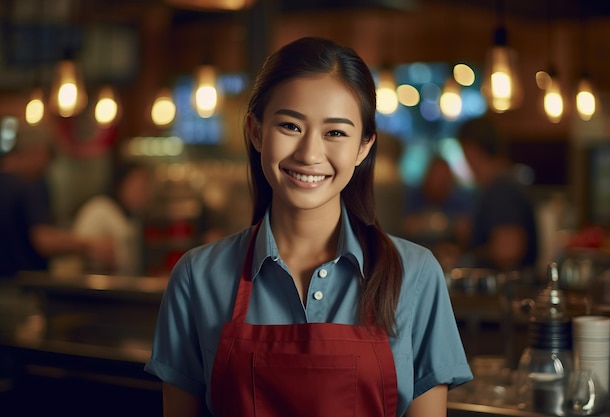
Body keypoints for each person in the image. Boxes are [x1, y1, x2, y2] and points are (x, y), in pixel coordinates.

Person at [145, 37, 472, 417]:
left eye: (335, 132)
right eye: (290, 126)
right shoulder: (197, 276)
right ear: (255, 131)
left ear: (363, 146)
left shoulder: (415, 275)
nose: (309, 154)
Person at [0, 139, 114, 278]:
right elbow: (43, 239)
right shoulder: (26, 186)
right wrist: (91, 245)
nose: (45, 168)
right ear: (36, 151)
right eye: (46, 159)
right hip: (22, 286)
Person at [457, 116, 539, 272]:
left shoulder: (501, 189)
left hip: (508, 291)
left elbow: (509, 250)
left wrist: (467, 256)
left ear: (472, 150)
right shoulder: (503, 184)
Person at [72, 161, 154, 275]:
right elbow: (78, 253)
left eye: (146, 187)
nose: (144, 193)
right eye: (138, 187)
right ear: (121, 185)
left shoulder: (134, 217)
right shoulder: (99, 209)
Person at [402, 155, 474, 270]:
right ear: (428, 177)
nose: (440, 183)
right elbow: (408, 226)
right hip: (418, 257)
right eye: (436, 177)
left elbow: (465, 230)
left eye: (444, 178)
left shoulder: (460, 199)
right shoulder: (415, 196)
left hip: (453, 258)